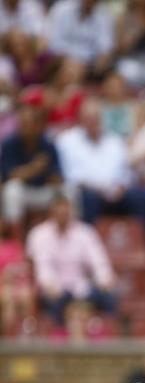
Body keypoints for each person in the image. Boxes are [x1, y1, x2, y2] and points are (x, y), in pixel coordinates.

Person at [26, 193, 117, 327]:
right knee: (54, 302)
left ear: (71, 211)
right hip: (55, 290)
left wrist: (105, 279)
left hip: (82, 288)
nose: (62, 215)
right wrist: (49, 286)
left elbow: (99, 262)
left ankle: (108, 341)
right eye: (59, 212)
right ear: (52, 212)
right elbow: (42, 266)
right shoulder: (39, 235)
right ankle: (58, 340)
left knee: (109, 297)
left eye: (66, 212)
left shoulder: (85, 232)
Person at [56, 97, 132, 223]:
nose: (93, 121)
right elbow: (67, 175)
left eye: (96, 117)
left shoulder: (115, 141)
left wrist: (122, 186)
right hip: (84, 192)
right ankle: (87, 238)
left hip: (114, 193)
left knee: (138, 198)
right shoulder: (66, 141)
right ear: (80, 119)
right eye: (89, 118)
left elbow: (127, 173)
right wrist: (96, 188)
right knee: (87, 199)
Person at [0, 105, 62, 229]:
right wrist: (35, 168)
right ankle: (15, 234)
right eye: (22, 124)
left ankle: (74, 232)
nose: (25, 128)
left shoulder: (48, 144)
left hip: (43, 191)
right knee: (12, 189)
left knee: (69, 190)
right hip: (24, 192)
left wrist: (53, 177)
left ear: (38, 126)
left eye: (29, 124)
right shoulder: (9, 144)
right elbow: (10, 175)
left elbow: (57, 177)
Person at [47, 0, 116, 77]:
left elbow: (105, 48)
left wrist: (96, 65)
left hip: (87, 65)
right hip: (60, 59)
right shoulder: (62, 8)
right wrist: (67, 60)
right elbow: (53, 41)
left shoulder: (104, 16)